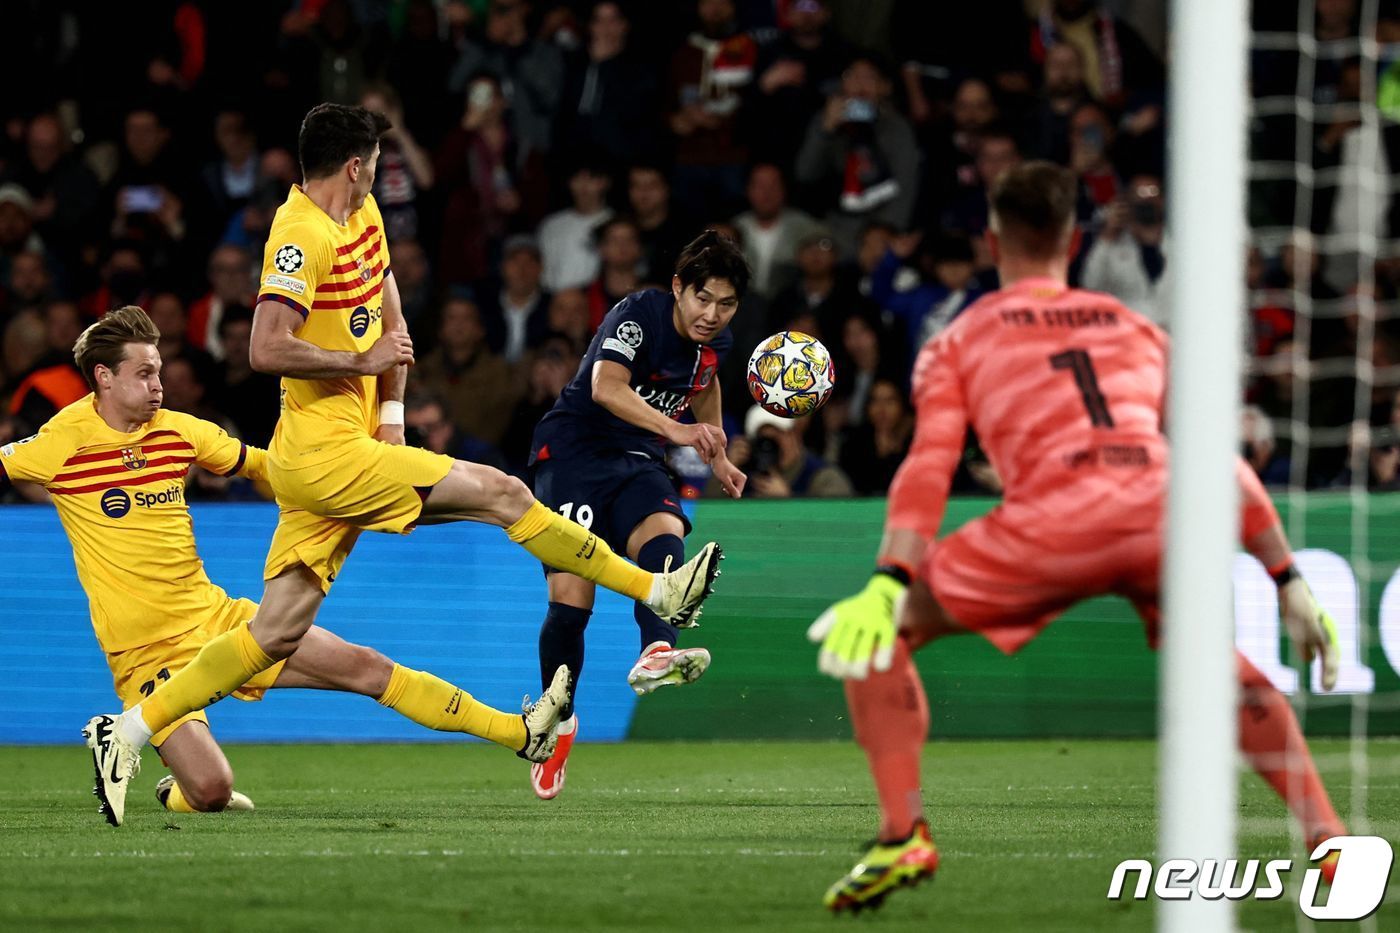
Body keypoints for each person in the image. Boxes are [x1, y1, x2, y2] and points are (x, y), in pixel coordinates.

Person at [84, 104, 724, 826]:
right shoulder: (298, 232)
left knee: (273, 634)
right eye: (376, 166)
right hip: (324, 455)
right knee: (504, 493)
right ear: (355, 166)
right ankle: (657, 591)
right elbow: (266, 346)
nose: (379, 177)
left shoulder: (363, 218)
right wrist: (358, 362)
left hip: (350, 446)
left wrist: (390, 413)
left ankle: (129, 730)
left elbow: (393, 318)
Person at [807, 162, 1346, 912]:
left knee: (873, 637)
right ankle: (1329, 842)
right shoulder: (1137, 328)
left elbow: (929, 465)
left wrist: (889, 577)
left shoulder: (956, 339)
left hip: (1054, 523)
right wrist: (1286, 577)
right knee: (1219, 663)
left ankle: (903, 833)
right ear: (1075, 237)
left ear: (993, 240)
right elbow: (1214, 460)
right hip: (1160, 511)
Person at [1, 307, 571, 820]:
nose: (159, 384)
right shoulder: (60, 442)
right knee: (212, 792)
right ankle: (163, 777)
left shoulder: (180, 431)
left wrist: (353, 485)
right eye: (144, 374)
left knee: (364, 666)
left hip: (217, 622)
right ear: (104, 377)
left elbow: (268, 467)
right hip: (144, 650)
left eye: (159, 370)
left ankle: (519, 733)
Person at [526, 231, 749, 800]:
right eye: (703, 298)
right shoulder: (639, 314)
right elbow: (605, 386)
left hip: (635, 459)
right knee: (571, 603)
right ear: (679, 288)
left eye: (725, 304)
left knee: (666, 528)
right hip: (573, 453)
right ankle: (559, 722)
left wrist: (718, 456)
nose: (711, 314)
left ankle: (656, 650)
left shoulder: (715, 346)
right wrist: (678, 431)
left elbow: (705, 386)